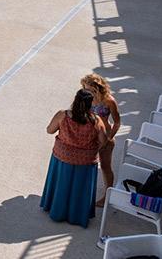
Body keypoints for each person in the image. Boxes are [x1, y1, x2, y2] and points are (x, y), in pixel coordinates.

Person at [41, 89, 109, 227]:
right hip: (85, 161)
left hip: (62, 156)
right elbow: (104, 141)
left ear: (75, 101)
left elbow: (49, 130)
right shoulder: (96, 121)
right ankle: (77, 215)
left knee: (61, 183)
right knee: (80, 188)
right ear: (90, 104)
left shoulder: (62, 115)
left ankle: (56, 210)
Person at [80, 73, 121, 207]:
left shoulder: (109, 100)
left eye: (91, 90)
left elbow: (117, 123)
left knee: (105, 166)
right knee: (83, 164)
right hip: (89, 136)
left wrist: (109, 139)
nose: (88, 92)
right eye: (85, 89)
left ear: (99, 88)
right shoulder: (85, 98)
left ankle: (106, 197)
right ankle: (80, 193)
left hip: (105, 137)